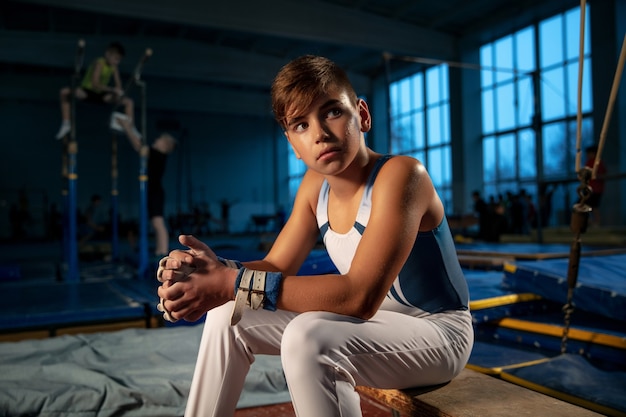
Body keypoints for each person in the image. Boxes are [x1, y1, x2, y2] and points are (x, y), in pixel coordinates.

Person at [156, 55, 473, 417]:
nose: (320, 133)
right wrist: (209, 272)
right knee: (231, 311)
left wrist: (231, 280)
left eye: (332, 112)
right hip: (371, 328)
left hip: (438, 333)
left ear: (362, 115)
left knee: (308, 338)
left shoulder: (402, 175)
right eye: (301, 125)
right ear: (292, 143)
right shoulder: (313, 188)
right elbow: (275, 264)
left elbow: (359, 297)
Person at [116, 116, 177, 257]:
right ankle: (161, 250)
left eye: (159, 140)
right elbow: (140, 141)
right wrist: (130, 127)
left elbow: (138, 145)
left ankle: (162, 251)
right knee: (155, 222)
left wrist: (126, 127)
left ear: (164, 146)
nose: (155, 141)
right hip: (153, 190)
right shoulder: (157, 154)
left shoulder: (158, 154)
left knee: (158, 222)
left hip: (155, 191)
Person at [55, 41, 139, 140]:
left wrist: (119, 92)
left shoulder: (114, 67)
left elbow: (118, 84)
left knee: (129, 102)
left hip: (102, 96)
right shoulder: (99, 62)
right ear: (108, 54)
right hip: (87, 92)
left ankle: (131, 127)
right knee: (64, 92)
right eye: (116, 59)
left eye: (119, 60)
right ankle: (66, 123)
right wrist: (113, 90)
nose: (117, 62)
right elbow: (95, 84)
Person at [583, 145, 607, 226]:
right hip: (594, 189)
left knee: (591, 205)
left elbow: (601, 174)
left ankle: (594, 222)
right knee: (591, 205)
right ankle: (593, 222)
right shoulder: (596, 162)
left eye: (588, 153)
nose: (587, 155)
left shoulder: (595, 162)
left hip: (593, 189)